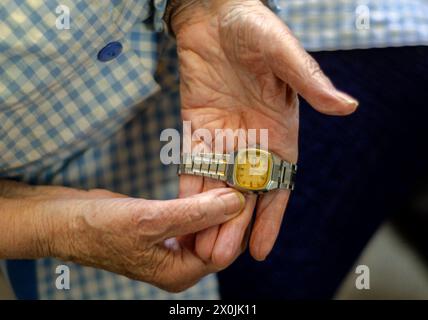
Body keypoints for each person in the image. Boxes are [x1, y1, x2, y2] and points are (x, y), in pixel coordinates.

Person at [1, 0, 426, 300]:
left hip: (250, 46)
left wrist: (206, 5)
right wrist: (49, 227)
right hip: (70, 179)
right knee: (260, 275)